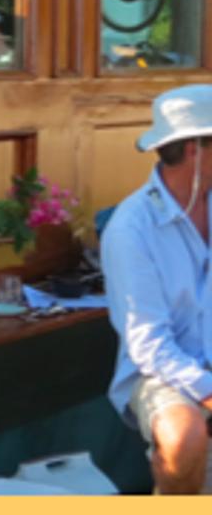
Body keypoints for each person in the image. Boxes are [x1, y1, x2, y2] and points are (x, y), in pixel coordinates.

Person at [101, 84, 212, 494]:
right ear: (195, 150)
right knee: (184, 438)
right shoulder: (130, 228)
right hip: (161, 373)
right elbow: (150, 347)